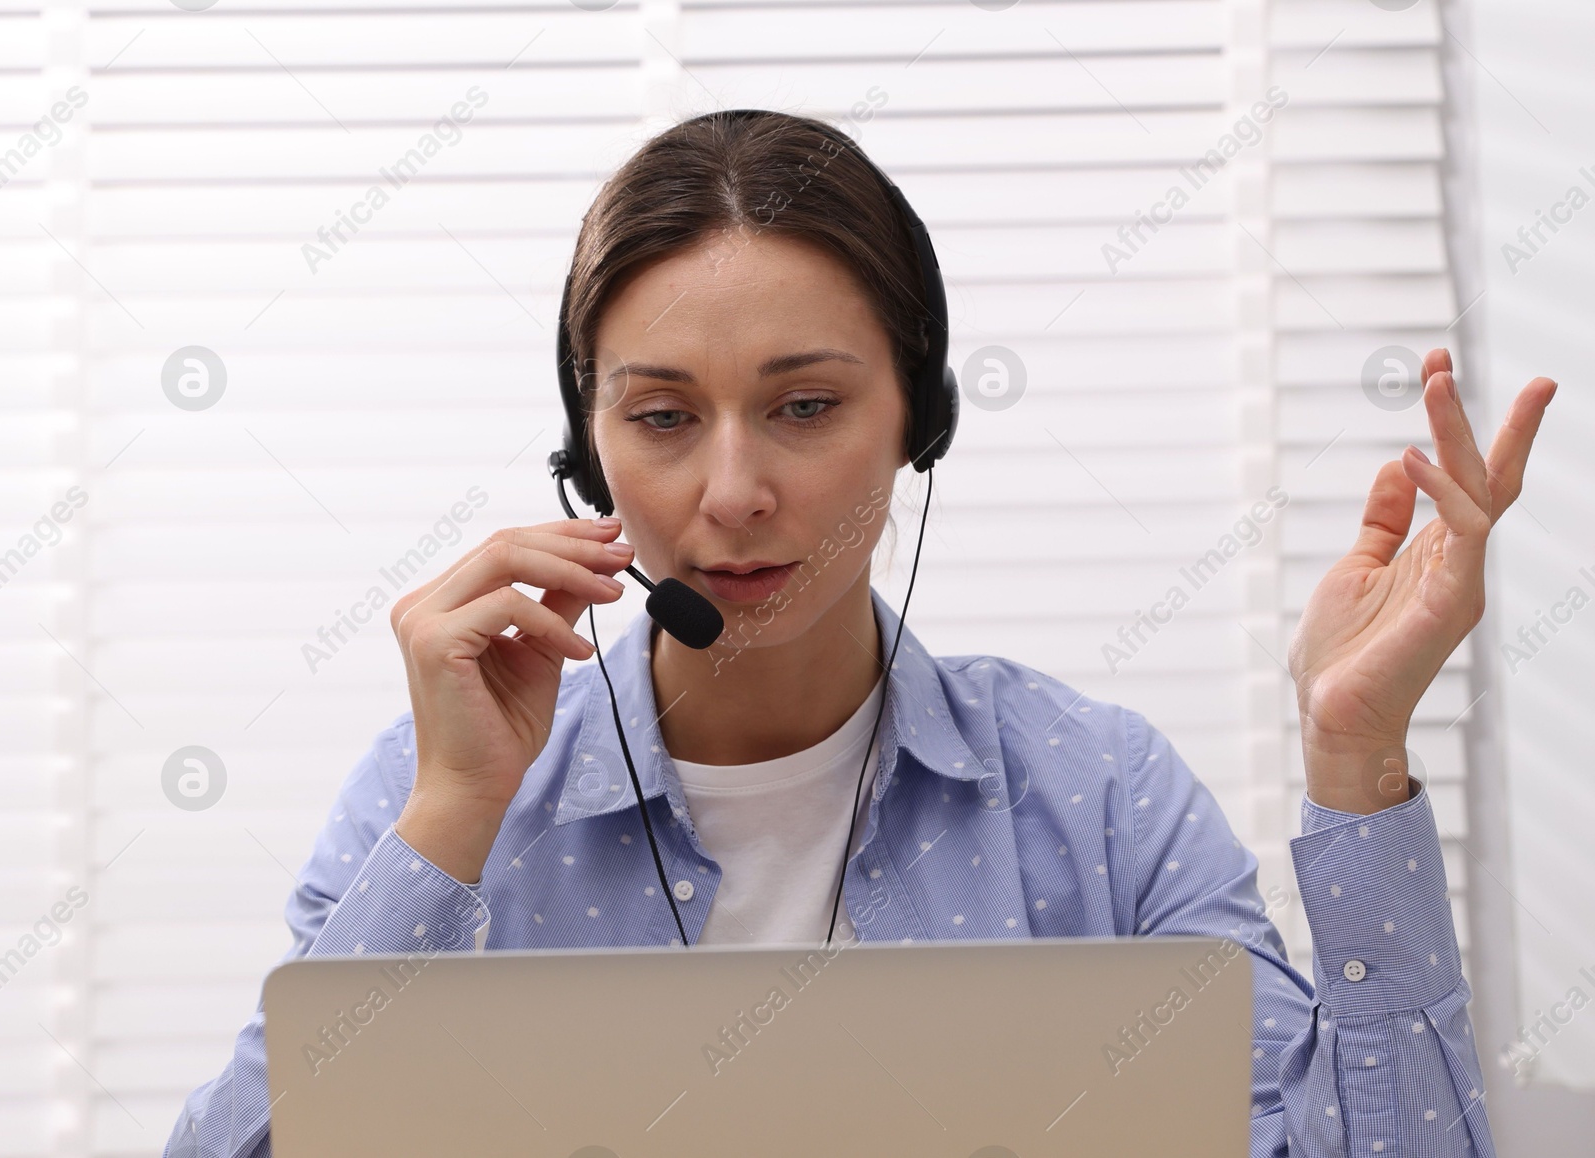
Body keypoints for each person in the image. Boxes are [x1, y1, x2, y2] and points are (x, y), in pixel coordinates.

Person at [163, 109, 1554, 1158]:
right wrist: (457, 812)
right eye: (659, 418)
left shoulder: (1099, 795)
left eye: (806, 405)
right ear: (585, 458)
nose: (731, 491)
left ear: (919, 423)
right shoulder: (442, 795)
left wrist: (1354, 758)